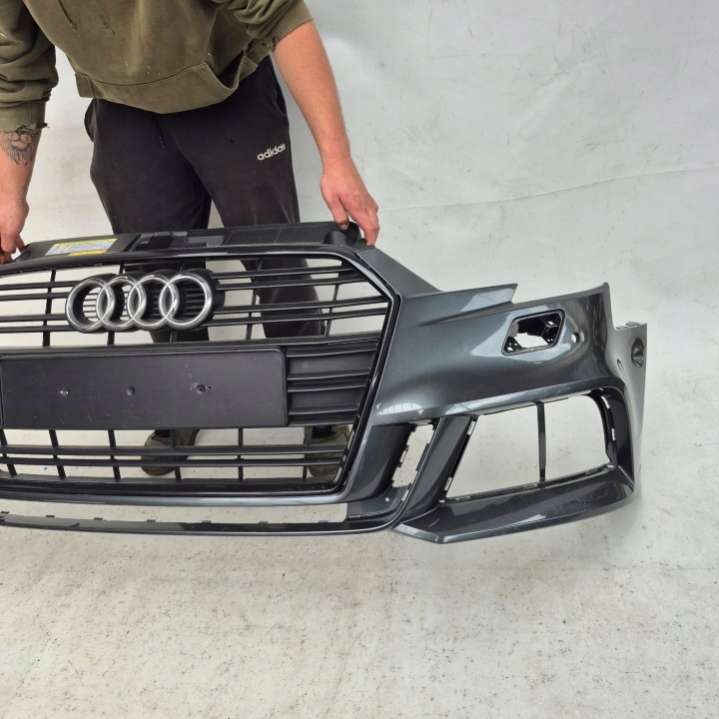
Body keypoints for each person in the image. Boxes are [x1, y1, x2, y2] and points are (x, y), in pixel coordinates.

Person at [0, 1, 380, 475]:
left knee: (274, 257)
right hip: (124, 108)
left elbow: (282, 16)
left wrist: (337, 160)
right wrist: (9, 199)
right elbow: (16, 70)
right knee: (152, 272)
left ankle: (317, 407)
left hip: (229, 87)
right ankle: (186, 396)